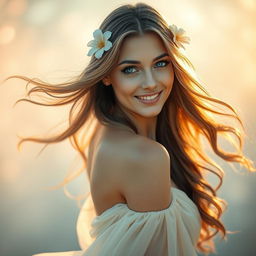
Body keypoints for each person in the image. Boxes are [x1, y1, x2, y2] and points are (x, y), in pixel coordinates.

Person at [4, 2, 255, 256]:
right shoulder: (146, 157)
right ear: (106, 75)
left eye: (161, 64)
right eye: (131, 69)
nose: (150, 82)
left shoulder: (104, 129)